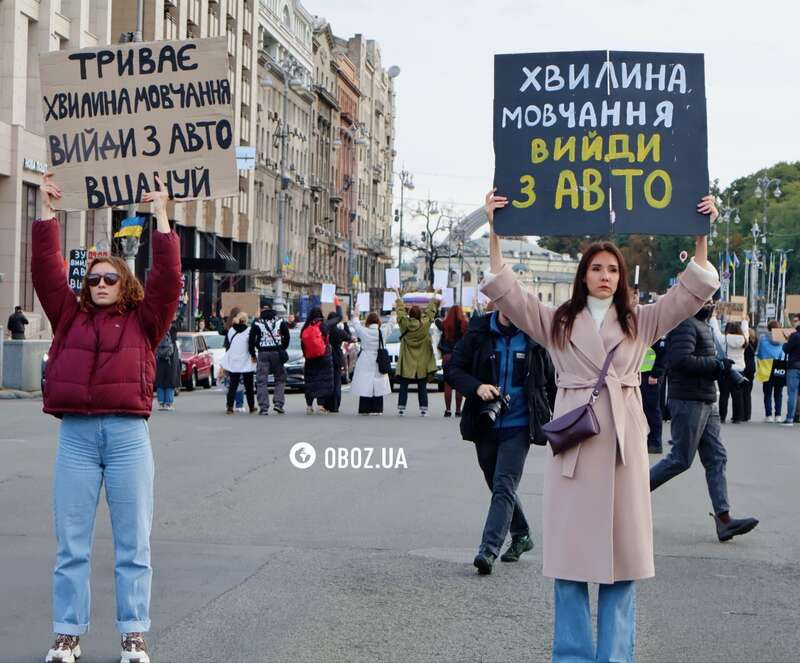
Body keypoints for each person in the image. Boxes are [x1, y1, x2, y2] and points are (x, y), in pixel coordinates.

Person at [481, 188, 720, 662]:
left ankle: (615, 657)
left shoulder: (641, 321)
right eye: (596, 268)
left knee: (623, 562)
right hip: (576, 445)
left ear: (621, 277)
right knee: (570, 565)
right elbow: (509, 291)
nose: (605, 276)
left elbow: (690, 293)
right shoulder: (557, 322)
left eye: (612, 270)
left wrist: (701, 234)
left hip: (624, 449)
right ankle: (571, 656)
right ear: (582, 274)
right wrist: (494, 230)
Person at [33, 173, 180, 663]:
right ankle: (66, 636)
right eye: (93, 278)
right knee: (71, 546)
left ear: (124, 283)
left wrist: (162, 216)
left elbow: (168, 281)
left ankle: (133, 635)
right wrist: (47, 211)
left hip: (127, 438)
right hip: (75, 437)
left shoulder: (146, 320)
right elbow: (46, 271)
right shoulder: (67, 316)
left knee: (132, 545)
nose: (99, 284)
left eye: (108, 278)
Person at [446, 305, 556, 575]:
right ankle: (521, 534)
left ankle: (488, 549)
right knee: (495, 482)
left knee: (504, 484)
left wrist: (562, 419)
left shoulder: (534, 338)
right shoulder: (479, 332)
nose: (511, 308)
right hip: (485, 422)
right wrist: (477, 387)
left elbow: (553, 382)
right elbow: (454, 370)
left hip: (520, 424)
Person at [650, 299, 760, 542]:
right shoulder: (685, 324)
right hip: (689, 400)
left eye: (712, 298)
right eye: (706, 298)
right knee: (680, 459)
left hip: (705, 399)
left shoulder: (701, 324)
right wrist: (715, 364)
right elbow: (679, 361)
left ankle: (724, 520)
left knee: (716, 458)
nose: (711, 303)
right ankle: (629, 498)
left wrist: (720, 367)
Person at [395, 295, 438, 416]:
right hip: (421, 361)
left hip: (407, 360)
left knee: (403, 385)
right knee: (422, 386)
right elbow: (430, 313)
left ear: (410, 314)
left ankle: (401, 409)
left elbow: (400, 312)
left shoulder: (404, 324)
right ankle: (423, 409)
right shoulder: (424, 325)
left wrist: (398, 297)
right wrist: (433, 296)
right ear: (420, 314)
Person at [349, 305, 395, 415]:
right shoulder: (382, 331)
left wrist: (356, 311)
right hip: (379, 360)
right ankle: (377, 409)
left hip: (365, 359)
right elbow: (392, 323)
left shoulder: (363, 331)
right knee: (378, 384)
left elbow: (355, 323)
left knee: (365, 384)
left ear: (368, 322)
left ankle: (364, 409)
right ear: (378, 321)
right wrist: (393, 310)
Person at [301, 305, 342, 414]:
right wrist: (337, 304)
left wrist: (306, 356)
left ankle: (309, 406)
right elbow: (339, 317)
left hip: (310, 358)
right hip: (324, 357)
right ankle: (321, 406)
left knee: (310, 381)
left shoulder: (305, 327)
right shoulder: (324, 325)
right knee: (323, 381)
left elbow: (303, 344)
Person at [249, 307, 290, 414]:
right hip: (277, 352)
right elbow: (287, 336)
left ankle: (263, 407)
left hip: (263, 353)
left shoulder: (257, 323)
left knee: (261, 381)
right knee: (280, 378)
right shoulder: (280, 321)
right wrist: (282, 347)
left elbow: (251, 340)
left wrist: (253, 353)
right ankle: (278, 403)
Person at [221, 311, 256, 415]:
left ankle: (230, 407)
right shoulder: (249, 331)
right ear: (246, 320)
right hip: (246, 361)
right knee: (249, 386)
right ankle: (251, 406)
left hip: (233, 361)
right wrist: (253, 356)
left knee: (233, 385)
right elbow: (251, 345)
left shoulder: (231, 330)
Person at [437, 305, 469, 417]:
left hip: (447, 356)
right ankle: (458, 410)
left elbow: (437, 321)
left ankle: (448, 410)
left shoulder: (445, 325)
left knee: (447, 384)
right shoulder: (464, 325)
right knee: (459, 384)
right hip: (460, 356)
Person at [640, 335, 668, 453]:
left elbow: (663, 356)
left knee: (652, 408)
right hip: (644, 373)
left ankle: (655, 442)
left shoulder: (658, 335)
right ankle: (648, 440)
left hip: (651, 375)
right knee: (645, 408)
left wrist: (656, 373)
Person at [756, 320, 786, 422]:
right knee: (779, 393)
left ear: (768, 328)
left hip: (766, 369)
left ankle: (768, 415)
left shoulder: (763, 339)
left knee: (767, 393)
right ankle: (778, 415)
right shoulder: (783, 339)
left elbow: (759, 353)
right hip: (779, 367)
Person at [323, 311, 353, 413]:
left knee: (327, 381)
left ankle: (326, 405)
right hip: (337, 356)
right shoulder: (339, 331)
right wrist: (345, 324)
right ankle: (335, 406)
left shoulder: (324, 330)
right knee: (337, 382)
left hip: (325, 355)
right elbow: (349, 337)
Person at [719, 321, 747, 424]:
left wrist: (713, 319)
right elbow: (746, 332)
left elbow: (716, 333)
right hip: (739, 370)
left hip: (726, 368)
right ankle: (737, 417)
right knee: (737, 395)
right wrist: (745, 321)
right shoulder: (744, 340)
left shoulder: (724, 339)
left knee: (724, 394)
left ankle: (722, 417)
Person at [154, 321, 179, 411]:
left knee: (160, 381)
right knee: (170, 381)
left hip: (159, 359)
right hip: (170, 359)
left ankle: (161, 403)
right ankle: (168, 403)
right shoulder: (173, 329)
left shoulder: (158, 329)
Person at [780, 320, 800, 426]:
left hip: (794, 366)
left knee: (792, 393)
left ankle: (790, 418)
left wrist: (787, 341)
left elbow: (786, 349)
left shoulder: (795, 336)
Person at [742, 327, 757, 422]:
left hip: (745, 367)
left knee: (742, 392)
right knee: (748, 392)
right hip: (752, 367)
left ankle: (742, 413)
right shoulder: (755, 342)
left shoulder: (745, 344)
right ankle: (747, 414)